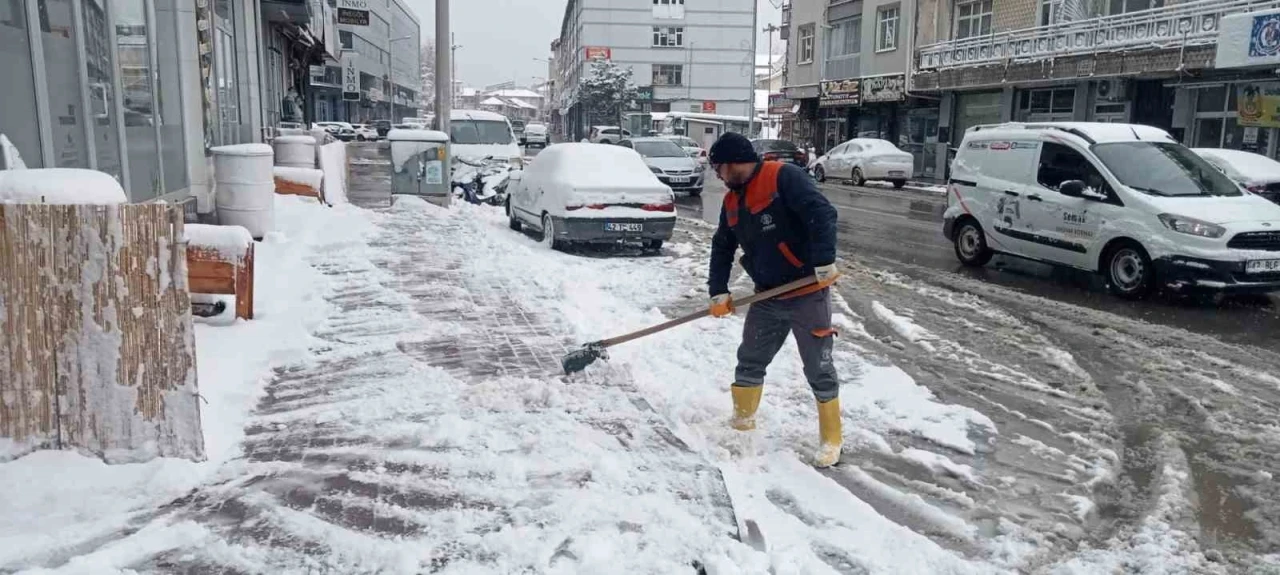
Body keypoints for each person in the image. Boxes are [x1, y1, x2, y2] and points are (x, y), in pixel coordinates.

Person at [706, 132, 843, 467]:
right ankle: (741, 424)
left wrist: (824, 259)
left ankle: (831, 439)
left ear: (732, 163)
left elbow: (822, 213)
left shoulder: (783, 176)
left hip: (807, 292)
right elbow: (723, 245)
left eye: (719, 169)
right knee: (750, 359)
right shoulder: (732, 201)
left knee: (818, 366)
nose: (719, 177)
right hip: (767, 295)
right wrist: (718, 290)